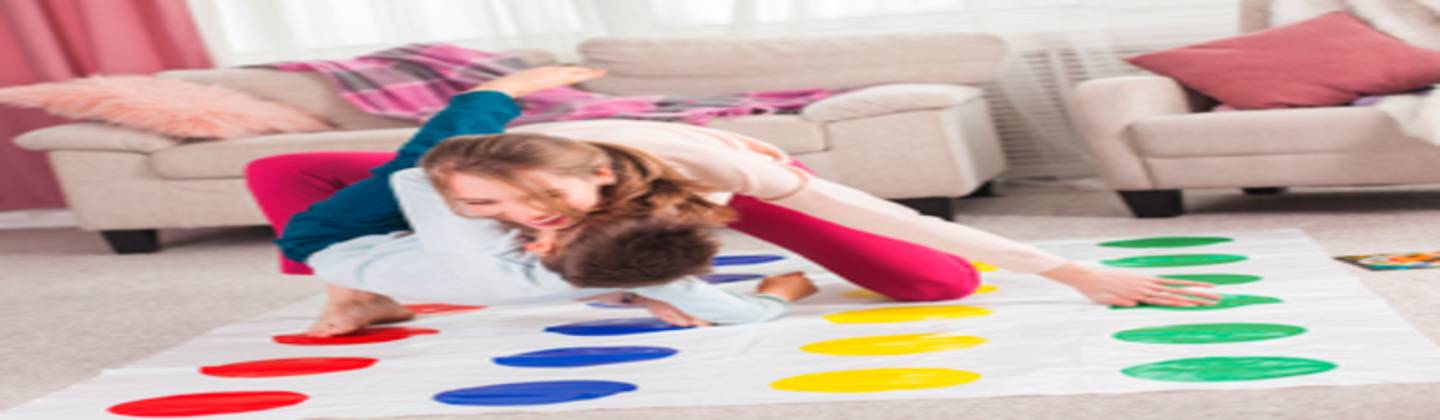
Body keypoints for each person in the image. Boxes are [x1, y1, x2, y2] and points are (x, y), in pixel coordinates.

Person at [248, 66, 1221, 336]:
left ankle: (533, 100)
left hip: (695, 193)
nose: (525, 224)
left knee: (931, 286)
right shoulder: (457, 183)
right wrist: (461, 202)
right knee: (288, 182)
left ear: (589, 174)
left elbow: (898, 219)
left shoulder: (706, 168)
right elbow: (468, 178)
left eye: (536, 203)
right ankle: (354, 297)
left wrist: (1070, 268)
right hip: (478, 149)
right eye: (491, 212)